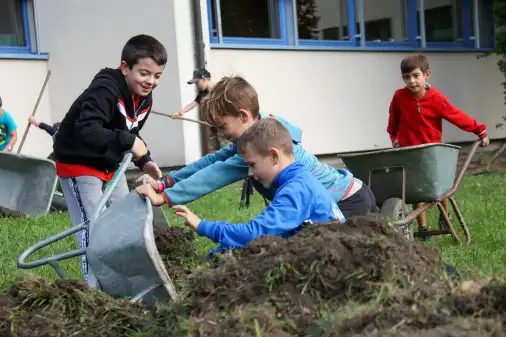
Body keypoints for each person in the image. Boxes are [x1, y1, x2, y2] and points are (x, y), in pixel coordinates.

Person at [138, 75, 377, 219]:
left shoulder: (262, 147)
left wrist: (165, 198)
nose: (222, 134)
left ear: (243, 115)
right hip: (339, 198)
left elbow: (215, 175)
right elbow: (213, 161)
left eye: (222, 127)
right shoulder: (255, 133)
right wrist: (166, 182)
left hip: (346, 201)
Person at [53, 34, 167, 287]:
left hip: (110, 165)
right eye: (144, 73)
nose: (150, 81)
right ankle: (95, 290)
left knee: (124, 221)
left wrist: (144, 160)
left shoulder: (144, 98)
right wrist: (128, 142)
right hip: (78, 162)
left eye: (157, 76)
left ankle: (124, 283)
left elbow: (130, 132)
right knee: (92, 228)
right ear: (125, 67)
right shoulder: (104, 90)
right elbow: (88, 131)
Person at [136, 118, 345, 257]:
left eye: (252, 165)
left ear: (273, 156)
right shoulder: (297, 179)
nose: (251, 174)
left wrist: (202, 225)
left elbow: (255, 234)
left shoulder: (296, 190)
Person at [387, 53, 489, 238]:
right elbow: (393, 119)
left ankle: (445, 216)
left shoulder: (436, 99)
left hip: (431, 151)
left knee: (440, 188)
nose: (411, 81)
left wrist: (479, 130)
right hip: (409, 151)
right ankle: (423, 228)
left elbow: (456, 116)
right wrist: (394, 136)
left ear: (426, 75)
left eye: (416, 76)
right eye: (406, 77)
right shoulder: (399, 97)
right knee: (416, 191)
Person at [172, 68, 231, 153]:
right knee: (213, 151)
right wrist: (179, 113)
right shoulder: (203, 93)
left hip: (224, 129)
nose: (196, 86)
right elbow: (193, 104)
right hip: (214, 128)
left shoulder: (220, 91)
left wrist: (216, 120)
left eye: (197, 83)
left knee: (226, 152)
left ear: (204, 79)